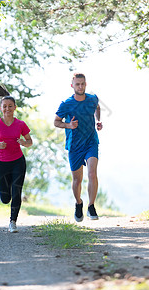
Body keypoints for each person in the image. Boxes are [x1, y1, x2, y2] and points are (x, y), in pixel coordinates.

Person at [54, 73, 103, 222]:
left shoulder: (92, 99)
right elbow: (56, 122)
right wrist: (68, 125)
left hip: (91, 142)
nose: (80, 87)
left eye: (82, 84)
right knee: (77, 179)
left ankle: (91, 206)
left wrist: (98, 121)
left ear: (86, 84)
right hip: (74, 145)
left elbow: (97, 107)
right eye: (77, 84)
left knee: (92, 173)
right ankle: (78, 203)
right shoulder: (66, 104)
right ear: (72, 86)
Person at [0, 82, 33, 233]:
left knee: (16, 191)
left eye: (10, 106)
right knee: (5, 198)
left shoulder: (20, 124)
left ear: (15, 108)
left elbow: (30, 142)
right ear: (1, 108)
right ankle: (8, 204)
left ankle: (13, 222)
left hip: (18, 162)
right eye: (4, 106)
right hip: (1, 163)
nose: (7, 108)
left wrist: (23, 142)